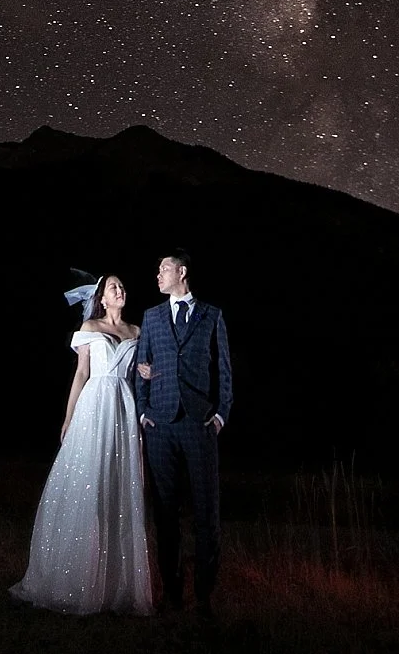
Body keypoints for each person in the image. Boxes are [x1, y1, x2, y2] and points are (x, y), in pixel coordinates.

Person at [9, 274, 153, 615]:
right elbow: (81, 373)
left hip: (123, 405)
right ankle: (77, 579)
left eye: (122, 286)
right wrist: (69, 417)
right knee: (90, 479)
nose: (120, 290)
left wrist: (148, 373)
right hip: (95, 403)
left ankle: (115, 584)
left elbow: (142, 372)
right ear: (102, 297)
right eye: (113, 287)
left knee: (118, 484)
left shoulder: (136, 332)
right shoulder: (90, 326)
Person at [136, 250, 233, 616]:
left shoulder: (211, 315)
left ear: (182, 272)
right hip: (160, 425)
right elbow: (141, 366)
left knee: (207, 512)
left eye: (163, 268)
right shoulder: (152, 317)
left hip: (198, 424)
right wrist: (144, 411)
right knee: (165, 514)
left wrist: (221, 414)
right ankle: (172, 593)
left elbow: (224, 368)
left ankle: (205, 595)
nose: (158, 274)